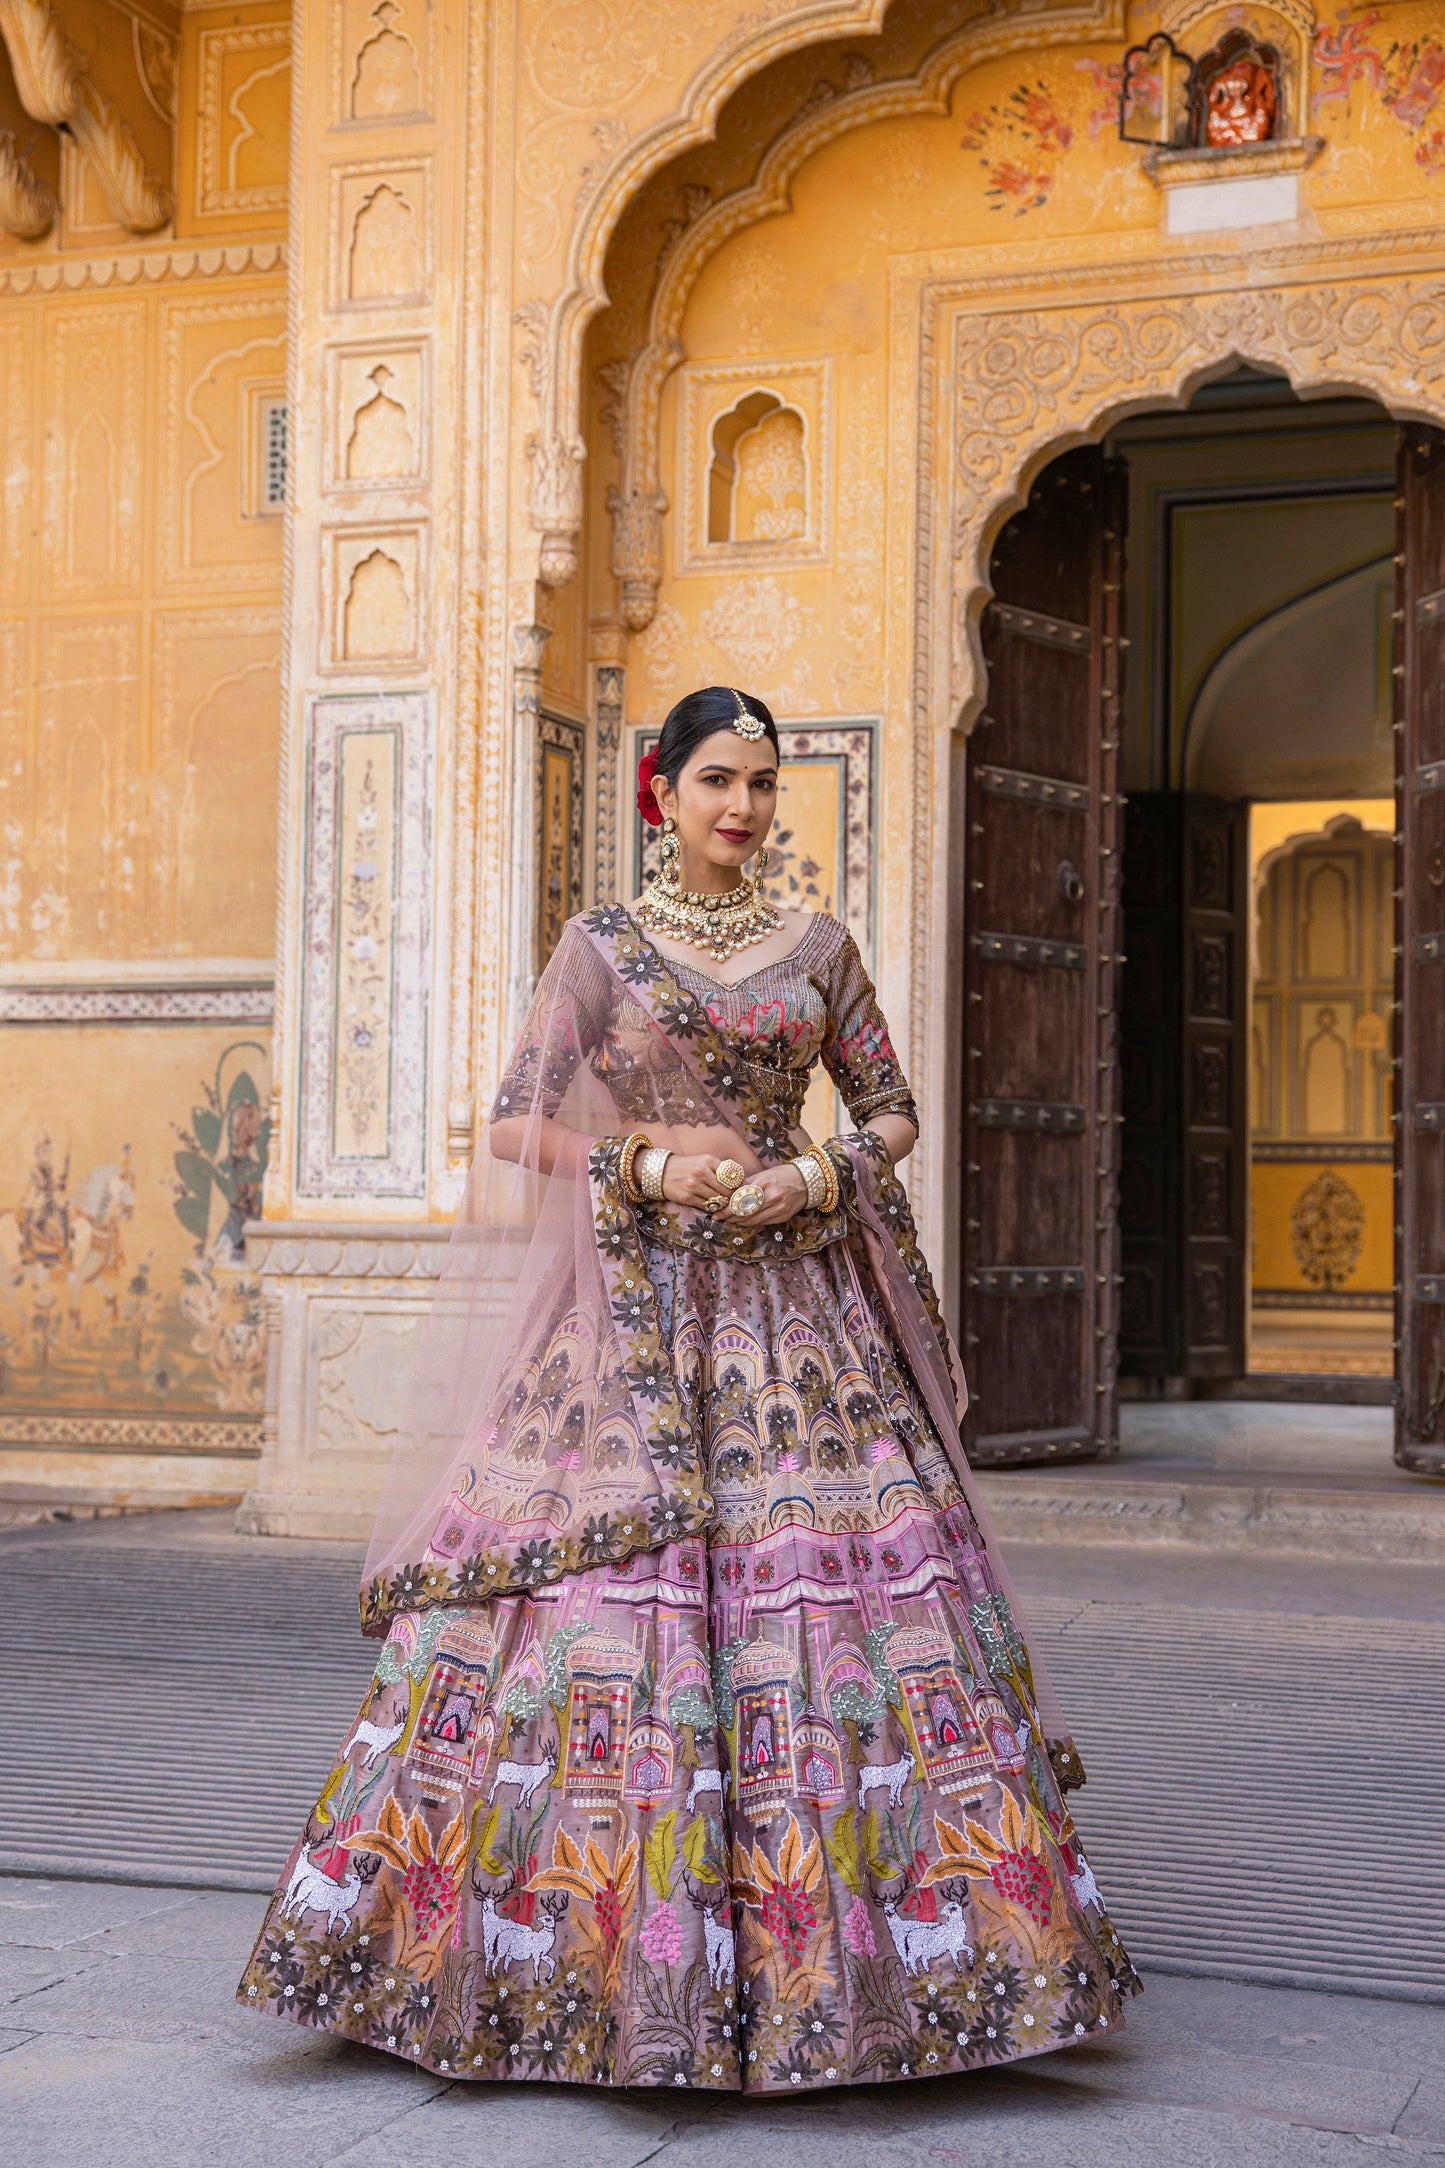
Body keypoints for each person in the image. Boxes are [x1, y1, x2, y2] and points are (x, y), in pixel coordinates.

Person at [238, 683, 1139, 2090]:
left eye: (763, 783)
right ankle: (526, 1956)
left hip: (797, 1328)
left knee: (834, 1614)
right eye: (717, 778)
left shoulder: (818, 948)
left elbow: (889, 1103)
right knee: (585, 1619)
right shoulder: (600, 949)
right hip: (628, 1329)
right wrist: (647, 1165)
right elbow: (519, 1123)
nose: (743, 806)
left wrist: (821, 1167)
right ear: (661, 790)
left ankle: (914, 1961)